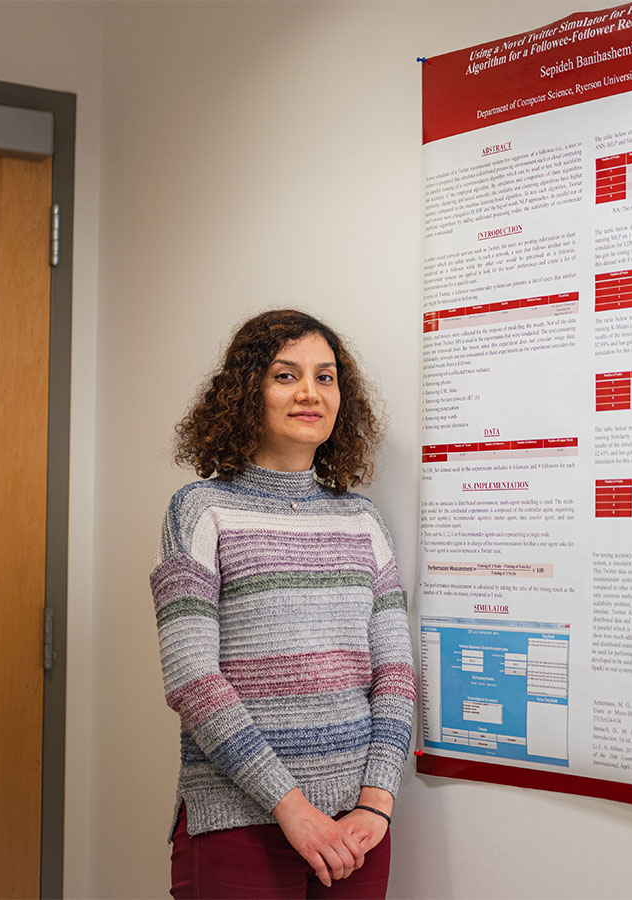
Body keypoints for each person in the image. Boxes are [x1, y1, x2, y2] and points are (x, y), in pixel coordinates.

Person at [151, 309, 415, 899]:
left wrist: (377, 801)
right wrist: (290, 806)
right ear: (248, 391)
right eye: (285, 375)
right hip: (239, 821)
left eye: (325, 377)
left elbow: (395, 674)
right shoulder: (199, 510)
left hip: (358, 828)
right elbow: (192, 677)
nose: (309, 393)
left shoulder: (363, 520)